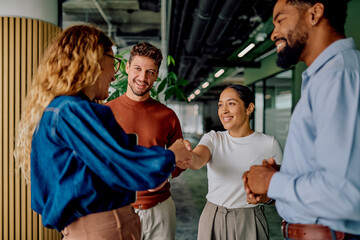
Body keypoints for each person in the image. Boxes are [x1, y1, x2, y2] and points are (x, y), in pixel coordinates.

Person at [14, 24, 192, 240]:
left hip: (93, 224)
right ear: (95, 60)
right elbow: (121, 165)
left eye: (150, 72)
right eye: (113, 61)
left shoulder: (61, 109)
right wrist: (172, 155)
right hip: (101, 226)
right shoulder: (72, 110)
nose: (114, 72)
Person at [243, 0, 360, 239]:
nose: (274, 33)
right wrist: (283, 178)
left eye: (280, 19)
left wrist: (273, 182)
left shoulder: (338, 76)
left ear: (315, 14)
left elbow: (345, 193)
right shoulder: (324, 77)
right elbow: (337, 172)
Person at [105, 41, 185, 240]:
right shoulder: (105, 112)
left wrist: (165, 177)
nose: (143, 77)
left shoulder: (167, 115)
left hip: (160, 209)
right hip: (118, 208)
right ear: (127, 67)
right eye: (138, 69)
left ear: (157, 75)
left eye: (150, 71)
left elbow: (182, 159)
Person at [188, 85, 283, 240]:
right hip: (213, 217)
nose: (223, 110)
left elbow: (282, 193)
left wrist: (265, 198)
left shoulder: (269, 144)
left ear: (249, 108)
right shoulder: (213, 138)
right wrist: (184, 155)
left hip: (250, 219)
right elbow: (197, 160)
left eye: (231, 103)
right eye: (220, 104)